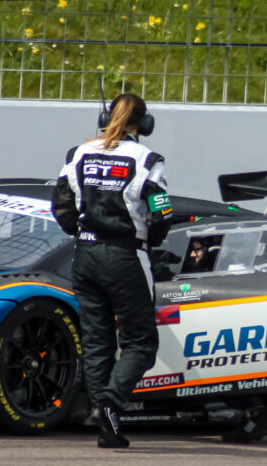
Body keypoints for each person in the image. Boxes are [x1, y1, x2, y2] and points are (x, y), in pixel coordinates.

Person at [51, 93, 172, 448]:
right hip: (125, 256)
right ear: (145, 124)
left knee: (97, 341)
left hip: (84, 255)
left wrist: (82, 230)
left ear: (105, 117)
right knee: (142, 343)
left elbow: (60, 203)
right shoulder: (148, 159)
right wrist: (151, 240)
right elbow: (161, 211)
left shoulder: (79, 153)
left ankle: (106, 423)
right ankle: (110, 404)